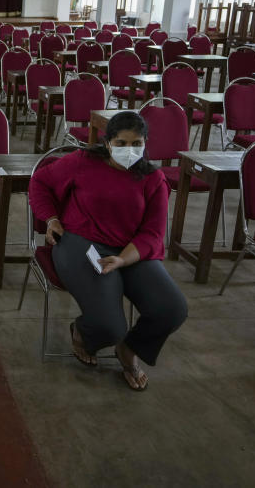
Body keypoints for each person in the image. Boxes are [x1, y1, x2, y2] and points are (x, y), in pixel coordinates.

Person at [28, 111, 187, 391]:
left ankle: (129, 349)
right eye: (121, 143)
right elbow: (40, 182)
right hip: (81, 244)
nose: (129, 150)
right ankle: (83, 334)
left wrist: (123, 259)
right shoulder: (83, 162)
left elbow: (152, 233)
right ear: (108, 142)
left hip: (130, 250)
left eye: (136, 143)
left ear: (145, 143)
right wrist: (51, 219)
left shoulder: (153, 179)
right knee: (110, 325)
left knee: (172, 309)